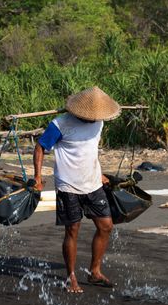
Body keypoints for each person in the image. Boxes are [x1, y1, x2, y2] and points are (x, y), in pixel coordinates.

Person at [33, 86, 121, 293]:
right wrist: (37, 176)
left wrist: (98, 172)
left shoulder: (99, 122)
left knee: (106, 225)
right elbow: (40, 147)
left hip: (93, 183)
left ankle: (95, 271)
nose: (93, 119)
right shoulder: (59, 124)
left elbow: (90, 149)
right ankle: (71, 277)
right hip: (68, 185)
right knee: (72, 229)